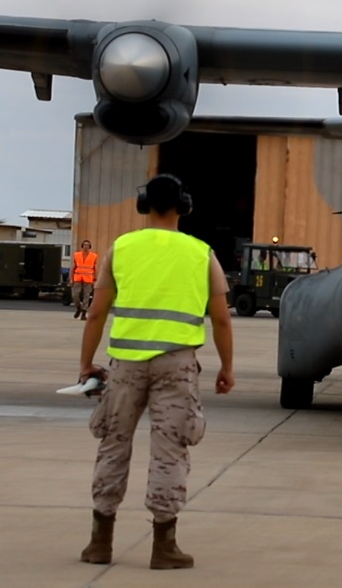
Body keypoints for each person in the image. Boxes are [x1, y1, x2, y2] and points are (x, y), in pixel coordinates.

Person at [77, 173, 235, 570]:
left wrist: (85, 364)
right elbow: (221, 318)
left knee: (114, 443)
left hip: (126, 364)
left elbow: (96, 312)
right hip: (177, 365)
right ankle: (164, 545)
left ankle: (99, 542)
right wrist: (226, 368)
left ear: (144, 204)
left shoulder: (121, 248)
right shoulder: (201, 253)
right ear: (184, 206)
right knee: (170, 449)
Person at [71, 239, 98, 320]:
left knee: (86, 296)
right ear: (82, 246)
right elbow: (73, 267)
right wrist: (71, 278)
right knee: (75, 295)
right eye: (84, 245)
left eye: (87, 245)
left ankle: (84, 312)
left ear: (90, 247)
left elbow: (95, 268)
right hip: (77, 278)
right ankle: (78, 307)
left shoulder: (93, 256)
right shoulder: (77, 255)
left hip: (88, 279)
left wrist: (95, 279)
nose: (86, 246)